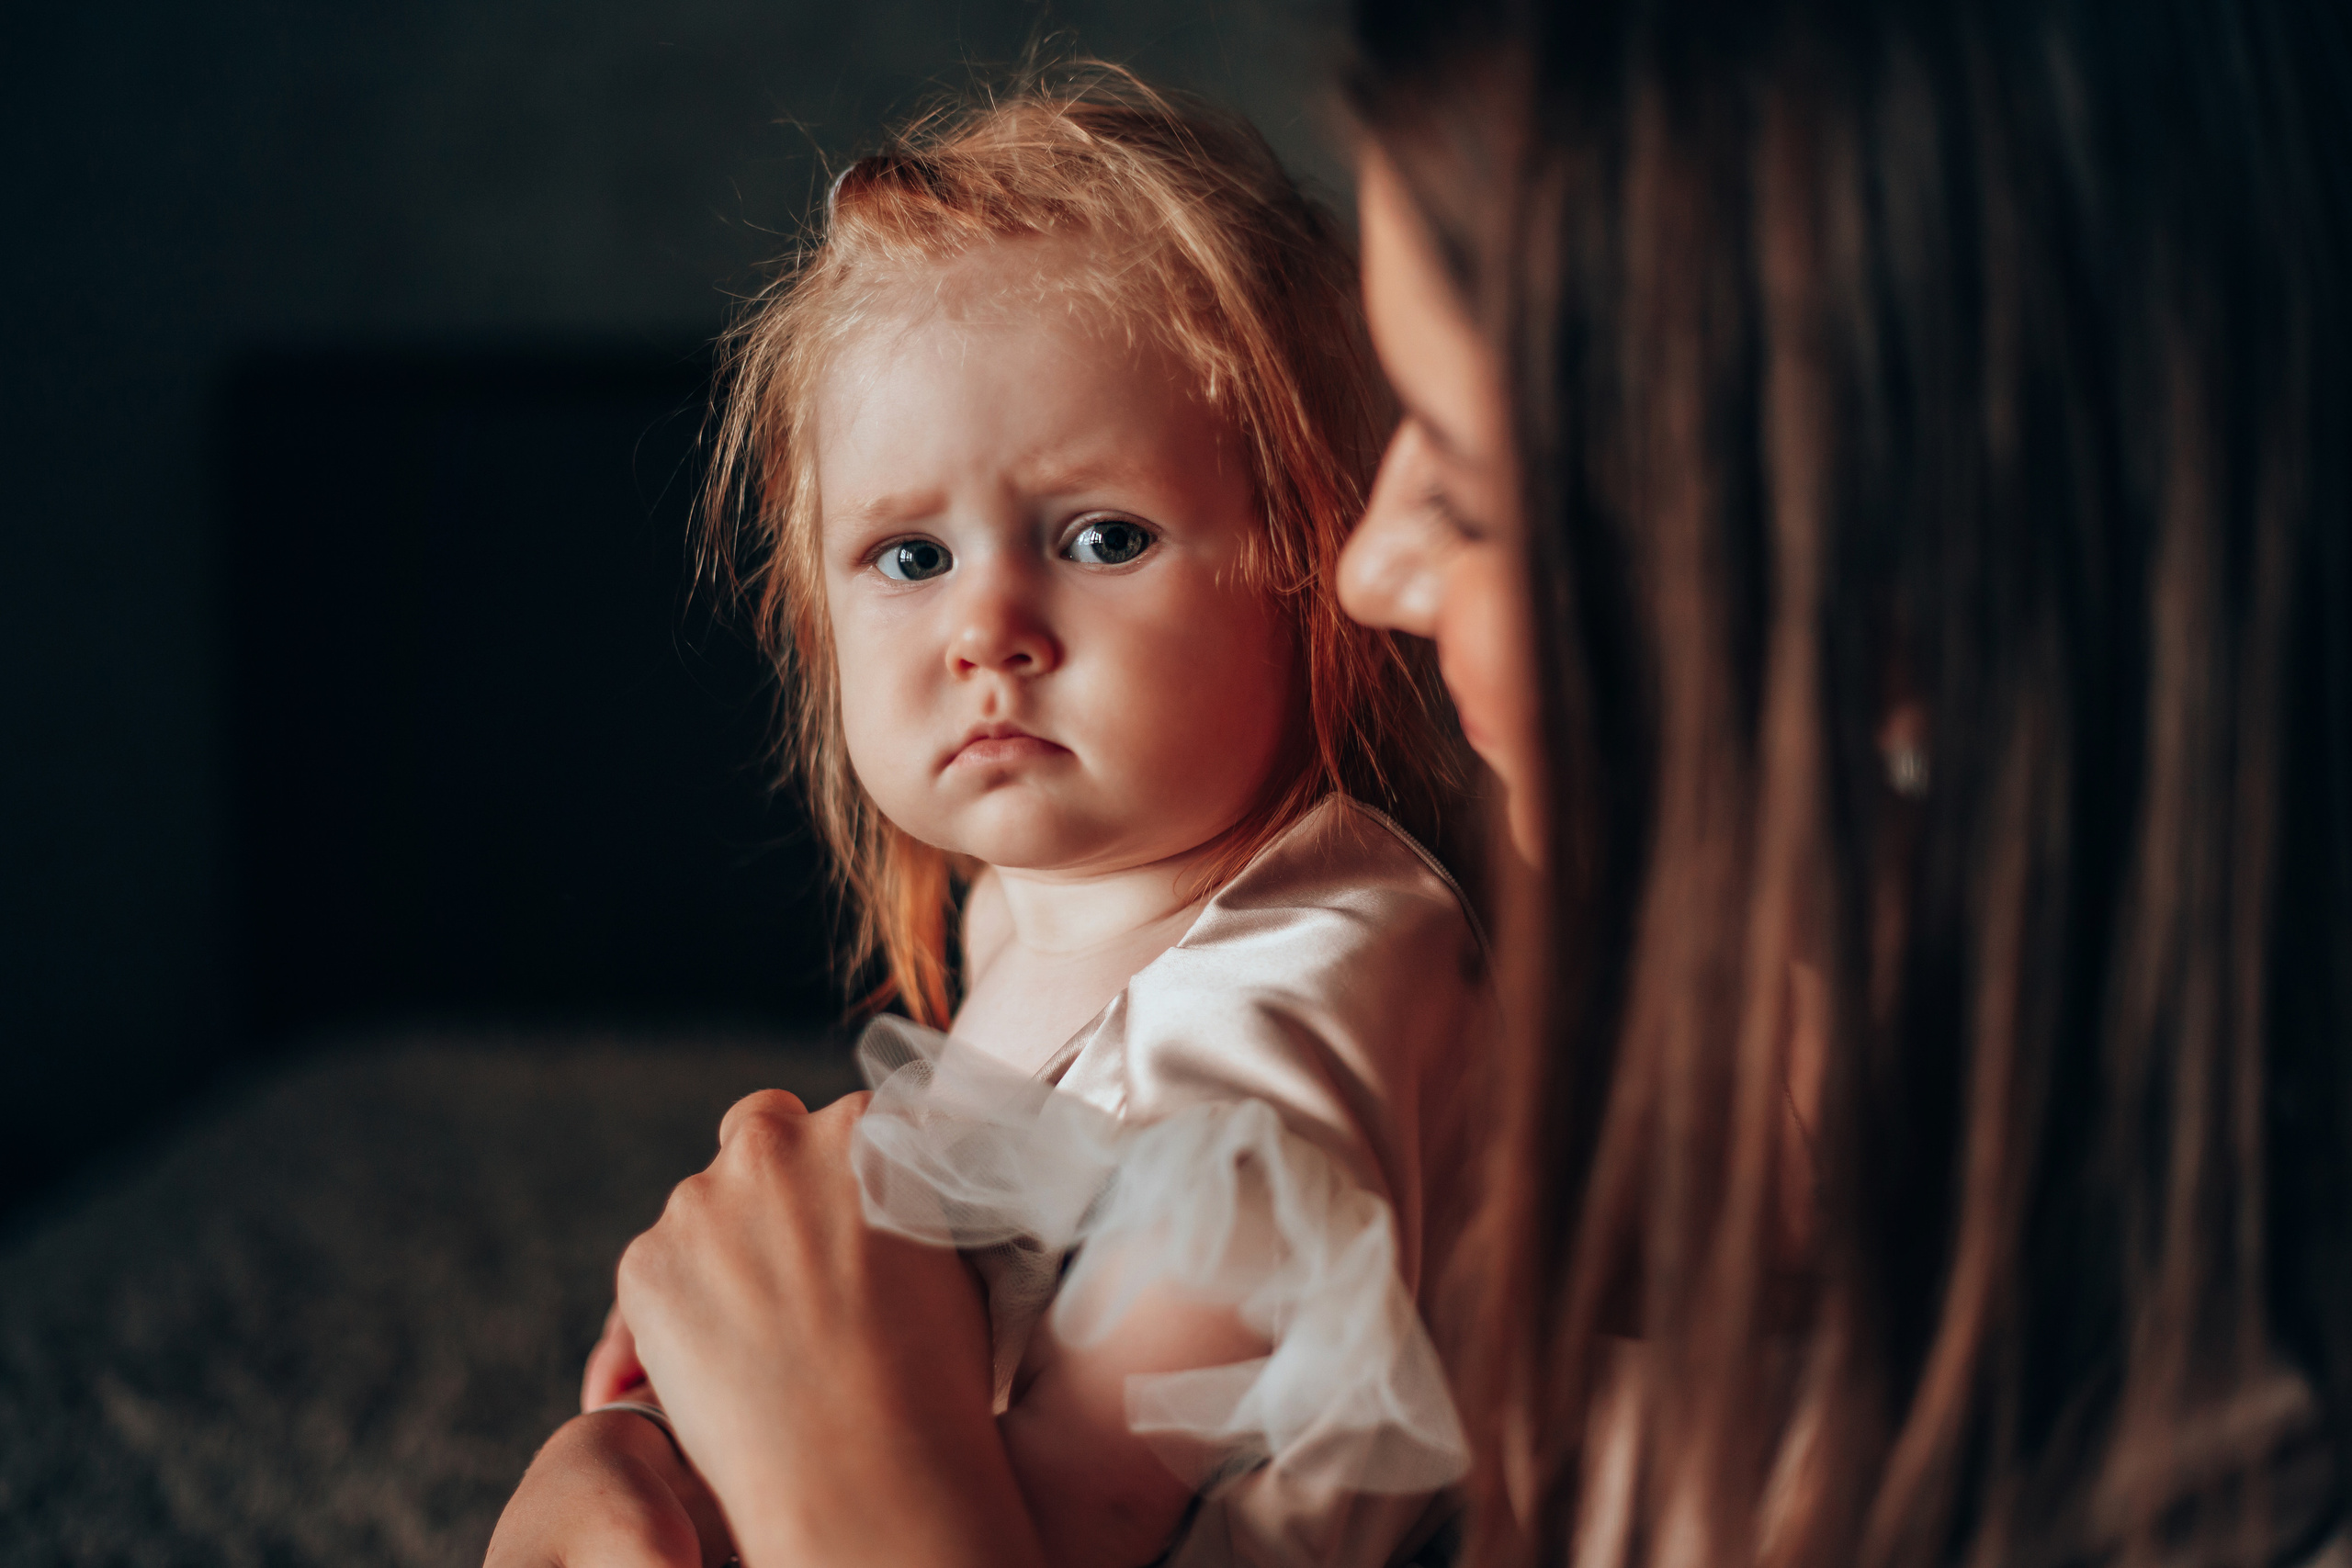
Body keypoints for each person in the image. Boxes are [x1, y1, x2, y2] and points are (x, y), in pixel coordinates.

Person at [496, 0, 2352, 1564]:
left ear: (1883, 597)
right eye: (897, 555)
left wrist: (851, 1477)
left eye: (1451, 477)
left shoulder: (2164, 1443)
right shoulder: (1648, 1101)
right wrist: (748, 1377)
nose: (1365, 574)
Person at [488, 75, 1497, 1568]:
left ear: (1315, 558)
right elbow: (961, 1301)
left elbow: (1065, 1517)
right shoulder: (1022, 906)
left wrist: (771, 1429)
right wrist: (682, 1416)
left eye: (1102, 537)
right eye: (908, 554)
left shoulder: (1302, 995)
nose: (989, 629)